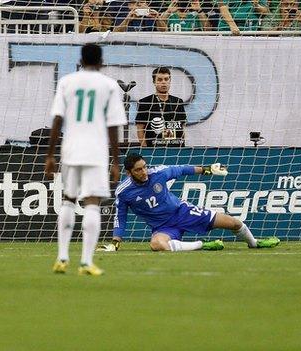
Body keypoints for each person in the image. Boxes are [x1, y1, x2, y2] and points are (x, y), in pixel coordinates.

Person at [46, 43, 127, 276]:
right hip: (95, 151)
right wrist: (115, 161)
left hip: (70, 148)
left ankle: (62, 258)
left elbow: (57, 121)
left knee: (68, 200)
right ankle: (85, 262)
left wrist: (50, 154)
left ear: (80, 61)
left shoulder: (66, 82)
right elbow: (113, 127)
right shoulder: (109, 85)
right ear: (102, 62)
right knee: (92, 203)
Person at [98, 153, 280, 252]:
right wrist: (115, 242)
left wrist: (207, 170)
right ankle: (202, 245)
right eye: (139, 170)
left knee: (234, 223)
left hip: (183, 212)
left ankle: (254, 243)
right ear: (129, 173)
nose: (144, 172)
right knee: (157, 245)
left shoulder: (158, 172)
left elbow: (182, 169)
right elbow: (120, 218)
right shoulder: (124, 191)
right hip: (163, 227)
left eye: (145, 167)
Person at [136, 67, 187, 147]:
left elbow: (183, 127)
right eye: (160, 80)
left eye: (166, 79)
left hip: (176, 150)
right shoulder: (145, 102)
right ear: (154, 82)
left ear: (170, 81)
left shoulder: (178, 102)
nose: (163, 82)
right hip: (154, 150)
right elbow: (140, 128)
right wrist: (145, 150)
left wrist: (182, 145)